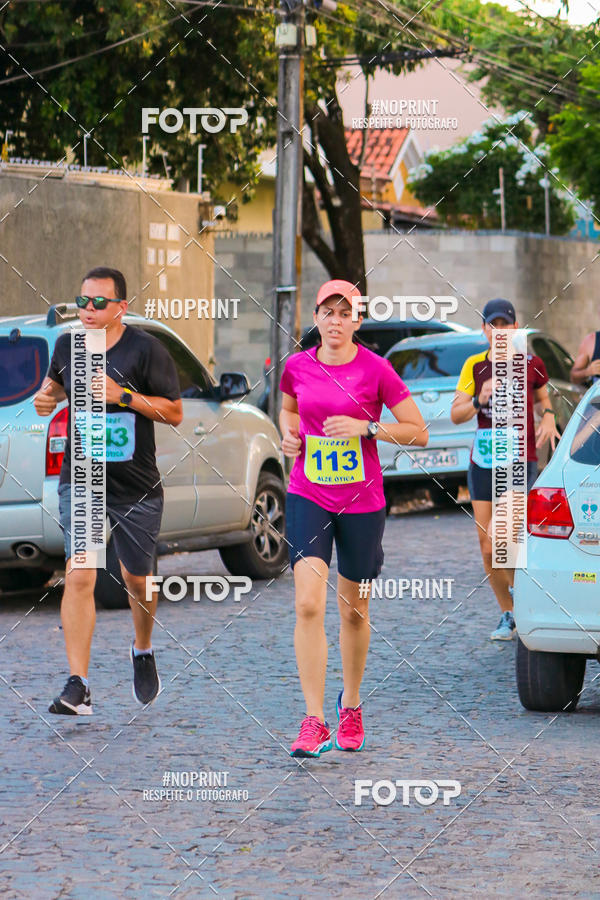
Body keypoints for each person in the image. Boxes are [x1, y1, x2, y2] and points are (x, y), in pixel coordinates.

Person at [279, 279, 428, 758]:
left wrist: (368, 426)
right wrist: (289, 437)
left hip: (362, 502)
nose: (336, 321)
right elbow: (287, 409)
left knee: (354, 609)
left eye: (346, 313)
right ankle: (314, 719)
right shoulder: (297, 366)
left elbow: (418, 432)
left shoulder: (377, 370)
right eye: (329, 312)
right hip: (308, 493)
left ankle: (352, 704)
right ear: (317, 317)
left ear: (357, 321)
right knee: (307, 604)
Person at [34, 267, 182, 714]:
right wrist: (47, 398)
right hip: (81, 479)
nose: (89, 310)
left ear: (122, 307)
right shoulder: (67, 346)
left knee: (137, 578)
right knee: (80, 573)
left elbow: (174, 412)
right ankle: (79, 684)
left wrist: (123, 397)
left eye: (99, 302)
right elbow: (55, 388)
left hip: (135, 485)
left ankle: (142, 647)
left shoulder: (147, 350)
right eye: (83, 301)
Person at [451, 298, 560, 641]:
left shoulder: (532, 363)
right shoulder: (473, 365)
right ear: (483, 330)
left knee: (503, 538)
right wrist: (478, 400)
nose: (498, 331)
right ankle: (509, 612)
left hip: (519, 459)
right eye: (491, 324)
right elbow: (456, 415)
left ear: (515, 329)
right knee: (487, 545)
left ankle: (524, 599)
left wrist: (550, 418)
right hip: (483, 460)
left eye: (505, 324)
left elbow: (544, 399)